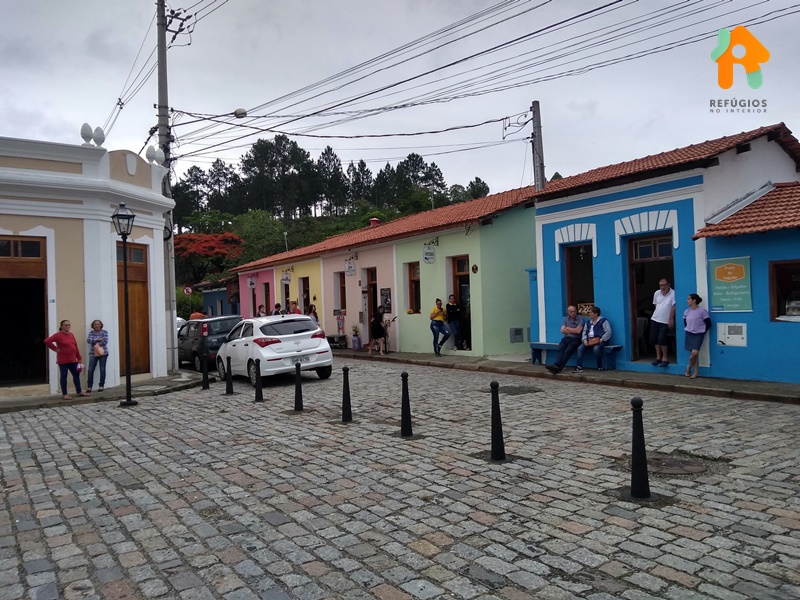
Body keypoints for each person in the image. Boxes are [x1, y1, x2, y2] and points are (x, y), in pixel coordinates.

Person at [44, 320, 89, 400]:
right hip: (63, 360)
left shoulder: (71, 334)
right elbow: (47, 341)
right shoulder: (58, 335)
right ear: (61, 326)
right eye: (65, 325)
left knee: (76, 376)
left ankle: (79, 391)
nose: (67, 326)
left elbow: (75, 346)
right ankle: (64, 394)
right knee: (64, 376)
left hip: (73, 360)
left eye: (69, 325)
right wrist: (55, 349)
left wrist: (79, 357)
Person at [545, 305, 585, 374]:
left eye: (574, 311)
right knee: (561, 348)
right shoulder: (566, 319)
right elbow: (562, 330)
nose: (573, 313)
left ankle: (558, 368)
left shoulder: (580, 319)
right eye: (571, 312)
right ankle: (556, 365)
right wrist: (573, 330)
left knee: (568, 351)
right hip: (566, 338)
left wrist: (568, 328)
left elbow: (578, 331)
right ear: (568, 312)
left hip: (576, 339)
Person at [573, 306, 612, 373]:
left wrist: (602, 339)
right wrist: (584, 340)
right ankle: (579, 366)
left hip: (600, 340)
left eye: (591, 312)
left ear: (596, 314)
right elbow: (584, 332)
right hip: (589, 340)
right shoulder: (588, 322)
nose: (589, 314)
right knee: (580, 348)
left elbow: (608, 332)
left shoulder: (603, 321)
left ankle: (600, 366)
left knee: (596, 349)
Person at [684, 293, 711, 379]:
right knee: (693, 354)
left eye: (688, 299)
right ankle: (695, 372)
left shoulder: (702, 311)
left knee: (695, 352)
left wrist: (703, 331)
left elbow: (708, 323)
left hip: (698, 334)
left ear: (694, 300)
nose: (687, 301)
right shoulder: (687, 311)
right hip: (689, 333)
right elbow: (685, 322)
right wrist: (688, 328)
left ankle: (688, 367)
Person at [650, 278, 676, 367]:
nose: (662, 287)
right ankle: (658, 357)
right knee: (655, 339)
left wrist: (671, 319)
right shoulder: (657, 293)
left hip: (665, 321)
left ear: (668, 284)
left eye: (664, 285)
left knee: (662, 339)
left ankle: (665, 358)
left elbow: (674, 307)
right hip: (655, 319)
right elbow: (655, 304)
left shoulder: (673, 293)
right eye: (661, 285)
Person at [86, 319, 109, 392]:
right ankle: (89, 386)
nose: (97, 325)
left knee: (102, 369)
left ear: (101, 325)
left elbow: (105, 341)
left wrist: (96, 342)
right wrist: (98, 339)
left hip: (103, 353)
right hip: (93, 354)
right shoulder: (91, 333)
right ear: (93, 326)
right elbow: (89, 341)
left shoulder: (104, 332)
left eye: (98, 324)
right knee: (90, 370)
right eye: (95, 324)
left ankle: (101, 385)